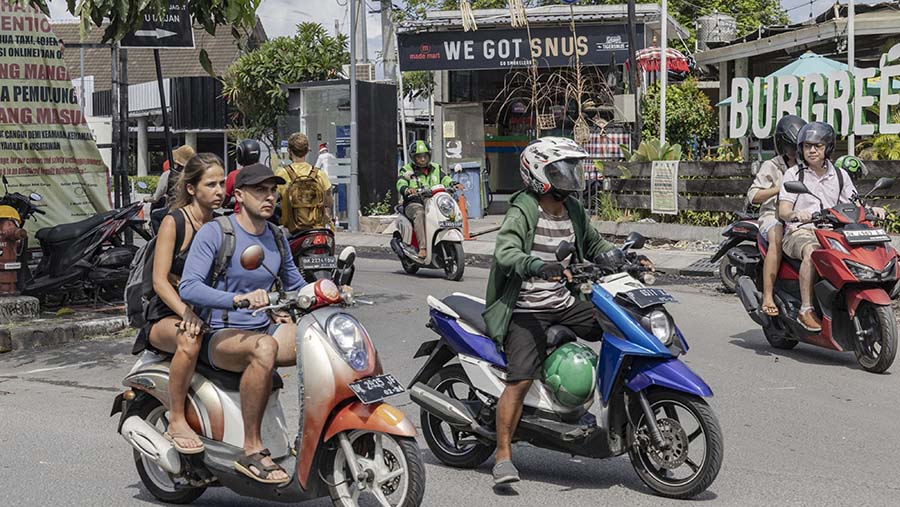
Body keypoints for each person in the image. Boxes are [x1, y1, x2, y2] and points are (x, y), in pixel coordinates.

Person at [481, 137, 620, 485]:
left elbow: (593, 242)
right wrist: (536, 266)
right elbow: (505, 253)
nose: (570, 176)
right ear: (540, 174)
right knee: (520, 378)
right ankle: (503, 456)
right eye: (562, 170)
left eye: (572, 169)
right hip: (526, 309)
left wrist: (618, 256)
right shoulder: (523, 209)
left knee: (616, 326)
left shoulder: (573, 209)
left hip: (563, 302)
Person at [179, 162, 306, 484]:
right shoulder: (216, 232)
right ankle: (251, 448)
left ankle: (320, 429)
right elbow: (189, 286)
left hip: (263, 327)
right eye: (260, 190)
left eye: (273, 190)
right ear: (240, 195)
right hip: (220, 333)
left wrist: (329, 289)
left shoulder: (276, 236)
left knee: (320, 338)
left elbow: (295, 285)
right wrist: (238, 299)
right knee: (264, 348)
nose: (270, 197)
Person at [132, 153, 225, 454]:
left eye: (222, 183)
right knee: (189, 339)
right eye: (211, 184)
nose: (220, 190)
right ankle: (175, 418)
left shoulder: (222, 226)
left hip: (208, 312)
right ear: (191, 188)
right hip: (166, 314)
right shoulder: (175, 223)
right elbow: (160, 281)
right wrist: (186, 312)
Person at [777, 122, 862, 331]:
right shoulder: (794, 175)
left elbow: (855, 203)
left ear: (828, 148)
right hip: (800, 231)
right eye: (807, 146)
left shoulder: (840, 175)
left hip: (833, 231)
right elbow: (783, 211)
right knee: (813, 252)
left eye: (818, 146)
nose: (812, 150)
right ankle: (806, 309)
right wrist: (797, 214)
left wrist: (872, 210)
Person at [746, 115, 805, 317]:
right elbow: (753, 196)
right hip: (773, 216)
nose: (796, 151)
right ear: (781, 145)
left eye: (799, 146)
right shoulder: (772, 166)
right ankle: (768, 296)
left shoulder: (808, 166)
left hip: (800, 216)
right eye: (791, 147)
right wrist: (779, 189)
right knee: (776, 238)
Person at [396, 140, 455, 259]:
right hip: (413, 203)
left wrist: (453, 183)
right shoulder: (407, 170)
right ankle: (423, 248)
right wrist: (407, 189)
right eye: (419, 157)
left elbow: (445, 178)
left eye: (425, 156)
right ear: (413, 158)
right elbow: (400, 182)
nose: (422, 159)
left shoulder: (436, 168)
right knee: (420, 213)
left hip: (433, 201)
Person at [275, 133, 334, 234]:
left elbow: (274, 198)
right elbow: (329, 200)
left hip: (290, 228)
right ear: (307, 151)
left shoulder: (282, 173)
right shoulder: (319, 174)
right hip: (317, 227)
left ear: (289, 151)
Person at [146, 145, 197, 232]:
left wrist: (146, 198)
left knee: (155, 215)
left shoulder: (169, 174)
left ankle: (159, 240)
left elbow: (156, 198)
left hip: (175, 209)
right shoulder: (195, 175)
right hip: (194, 209)